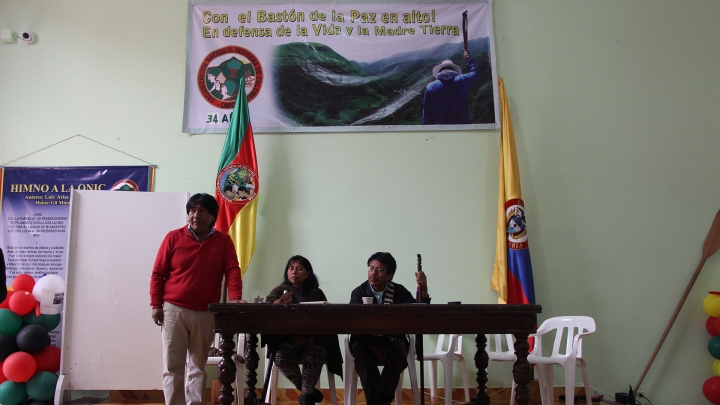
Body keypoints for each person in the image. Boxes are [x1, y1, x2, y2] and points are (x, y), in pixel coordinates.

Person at [149, 193, 244, 405]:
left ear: (213, 217)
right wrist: (156, 304)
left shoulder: (224, 241)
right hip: (174, 310)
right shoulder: (173, 237)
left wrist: (235, 297)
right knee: (172, 366)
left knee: (197, 366)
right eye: (192, 211)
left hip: (206, 312)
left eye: (202, 211)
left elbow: (233, 271)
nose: (195, 215)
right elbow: (158, 273)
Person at [348, 252, 430, 405]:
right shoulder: (359, 292)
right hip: (365, 342)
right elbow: (354, 323)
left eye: (379, 270)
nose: (373, 273)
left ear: (389, 275)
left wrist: (423, 288)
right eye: (371, 268)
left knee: (398, 353)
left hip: (393, 340)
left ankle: (377, 401)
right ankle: (382, 401)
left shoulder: (399, 291)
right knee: (362, 355)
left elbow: (419, 311)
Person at [264, 255, 343, 405]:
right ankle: (308, 393)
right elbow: (269, 307)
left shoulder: (316, 293)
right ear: (287, 272)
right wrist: (281, 301)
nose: (294, 272)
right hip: (286, 342)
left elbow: (326, 319)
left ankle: (306, 396)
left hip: (312, 343)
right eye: (291, 268)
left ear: (307, 274)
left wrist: (312, 340)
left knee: (317, 353)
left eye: (299, 268)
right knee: (280, 356)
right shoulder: (280, 290)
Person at [422, 49, 479, 125]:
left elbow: (427, 111)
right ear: (454, 70)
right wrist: (467, 58)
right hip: (462, 127)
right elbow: (475, 73)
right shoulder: (462, 80)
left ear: (439, 71)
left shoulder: (430, 87)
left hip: (440, 128)